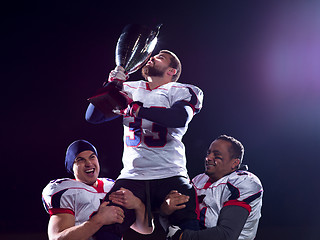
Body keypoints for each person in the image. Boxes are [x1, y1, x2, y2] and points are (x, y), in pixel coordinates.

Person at [85, 50, 204, 238]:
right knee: (105, 226)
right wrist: (111, 85)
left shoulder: (182, 90)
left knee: (188, 229)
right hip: (132, 176)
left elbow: (179, 118)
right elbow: (92, 117)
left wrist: (136, 109)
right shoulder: (129, 88)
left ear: (172, 71)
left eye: (160, 57)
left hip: (170, 174)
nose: (151, 58)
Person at [42, 139, 153, 240]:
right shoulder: (66, 191)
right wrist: (99, 219)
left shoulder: (112, 186)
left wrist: (138, 204)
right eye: (80, 160)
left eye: (92, 157)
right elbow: (57, 238)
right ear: (72, 166)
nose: (88, 163)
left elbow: (146, 229)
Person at [161, 135, 263, 240]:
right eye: (208, 153)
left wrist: (181, 237)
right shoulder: (198, 181)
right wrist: (164, 212)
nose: (208, 158)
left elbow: (226, 235)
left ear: (234, 163)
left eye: (217, 155)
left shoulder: (243, 182)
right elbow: (173, 227)